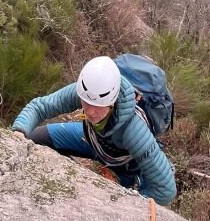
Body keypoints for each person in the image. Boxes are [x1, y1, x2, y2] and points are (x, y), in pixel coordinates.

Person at [11, 56, 177, 205]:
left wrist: (129, 202)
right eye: (86, 103)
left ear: (113, 101)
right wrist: (19, 130)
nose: (90, 112)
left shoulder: (133, 130)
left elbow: (166, 190)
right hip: (94, 141)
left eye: (98, 106)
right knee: (37, 136)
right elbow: (41, 106)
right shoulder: (88, 91)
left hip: (128, 167)